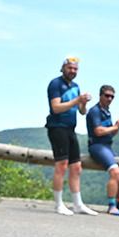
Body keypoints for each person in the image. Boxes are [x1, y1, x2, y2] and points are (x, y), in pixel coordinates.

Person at [46, 56, 97, 216]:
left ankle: (77, 204)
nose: (72, 71)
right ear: (63, 68)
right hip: (57, 127)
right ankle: (58, 203)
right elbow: (56, 108)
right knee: (61, 165)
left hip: (70, 128)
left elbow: (82, 112)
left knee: (76, 167)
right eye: (70, 68)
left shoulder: (75, 86)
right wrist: (76, 100)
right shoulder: (55, 84)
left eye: (75, 69)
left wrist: (83, 103)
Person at [86, 85, 119, 215]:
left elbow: (109, 133)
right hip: (97, 146)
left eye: (112, 96)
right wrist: (116, 125)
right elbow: (98, 131)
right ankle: (111, 206)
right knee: (116, 172)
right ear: (100, 96)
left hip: (107, 146)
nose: (109, 98)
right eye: (107, 95)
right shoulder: (95, 111)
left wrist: (118, 126)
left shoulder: (107, 112)